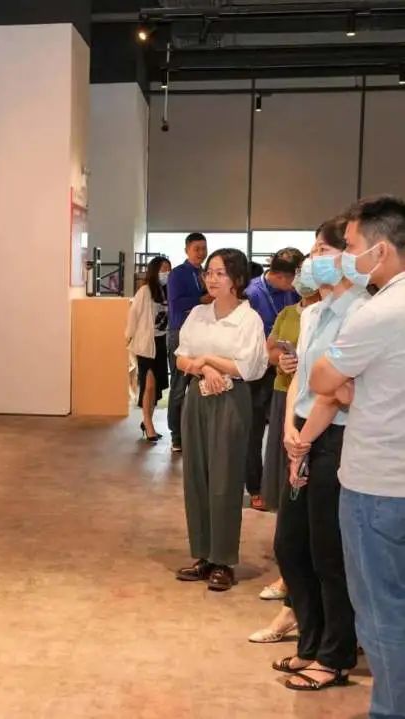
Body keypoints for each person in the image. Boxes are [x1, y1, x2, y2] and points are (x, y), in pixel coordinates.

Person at [310, 196, 405, 717]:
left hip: (377, 486)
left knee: (380, 613)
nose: (343, 259)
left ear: (381, 250)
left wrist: (348, 383)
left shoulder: (380, 310)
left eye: (349, 249)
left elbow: (323, 378)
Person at [272, 218, 367, 691]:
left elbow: (335, 390)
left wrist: (304, 441)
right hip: (302, 434)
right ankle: (309, 642)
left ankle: (335, 655)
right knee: (291, 546)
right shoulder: (312, 313)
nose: (312, 263)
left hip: (333, 440)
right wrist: (291, 432)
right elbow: (302, 383)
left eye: (323, 251)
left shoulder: (359, 311)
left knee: (329, 553)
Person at [174, 249, 268, 591]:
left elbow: (250, 367)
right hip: (198, 396)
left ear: (237, 279)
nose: (211, 279)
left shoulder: (249, 320)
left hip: (231, 399)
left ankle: (224, 559)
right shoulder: (198, 313)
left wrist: (210, 359)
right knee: (196, 477)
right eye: (209, 272)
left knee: (225, 479)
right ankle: (203, 554)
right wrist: (206, 367)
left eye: (220, 273)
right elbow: (181, 356)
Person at [249, 255, 321, 643]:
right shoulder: (292, 314)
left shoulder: (343, 314)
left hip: (320, 419)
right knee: (285, 493)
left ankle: (296, 594)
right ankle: (291, 585)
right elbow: (271, 352)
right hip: (287, 401)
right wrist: (284, 360)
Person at [244, 248, 303, 510]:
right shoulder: (253, 293)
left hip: (284, 372)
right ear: (279, 275)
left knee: (283, 430)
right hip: (258, 372)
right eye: (293, 278)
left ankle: (279, 483)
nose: (296, 285)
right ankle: (255, 487)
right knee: (254, 431)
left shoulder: (293, 294)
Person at [166, 233, 211, 453]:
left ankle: (194, 433)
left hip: (201, 334)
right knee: (178, 386)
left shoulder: (206, 274)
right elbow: (175, 304)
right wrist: (200, 300)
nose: (201, 253)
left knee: (199, 384)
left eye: (204, 248)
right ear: (187, 250)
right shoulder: (178, 274)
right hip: (179, 333)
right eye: (197, 249)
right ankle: (176, 436)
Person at [125, 256, 171, 441]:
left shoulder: (168, 291)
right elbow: (133, 315)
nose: (166, 273)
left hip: (161, 343)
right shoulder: (144, 291)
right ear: (154, 271)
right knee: (149, 385)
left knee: (156, 387)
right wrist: (128, 337)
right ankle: (148, 424)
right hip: (145, 344)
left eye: (168, 269)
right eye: (163, 269)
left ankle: (147, 420)